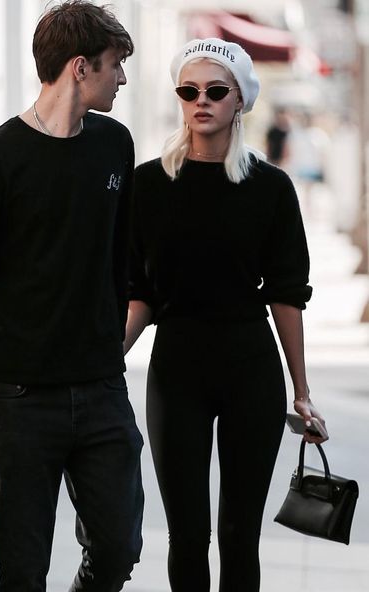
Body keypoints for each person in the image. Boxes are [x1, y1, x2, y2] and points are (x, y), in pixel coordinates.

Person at [0, 2, 144, 591]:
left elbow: (122, 259)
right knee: (23, 566)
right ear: (79, 67)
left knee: (119, 547)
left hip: (100, 390)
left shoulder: (115, 144)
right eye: (115, 64)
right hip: (19, 400)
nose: (122, 76)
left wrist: (112, 340)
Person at [124, 38, 328, 592]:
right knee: (186, 536)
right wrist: (103, 356)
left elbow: (286, 294)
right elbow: (139, 291)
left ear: (240, 100)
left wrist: (301, 391)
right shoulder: (147, 185)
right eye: (189, 91)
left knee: (240, 534)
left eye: (216, 91)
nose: (201, 102)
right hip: (177, 369)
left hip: (249, 368)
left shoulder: (270, 189)